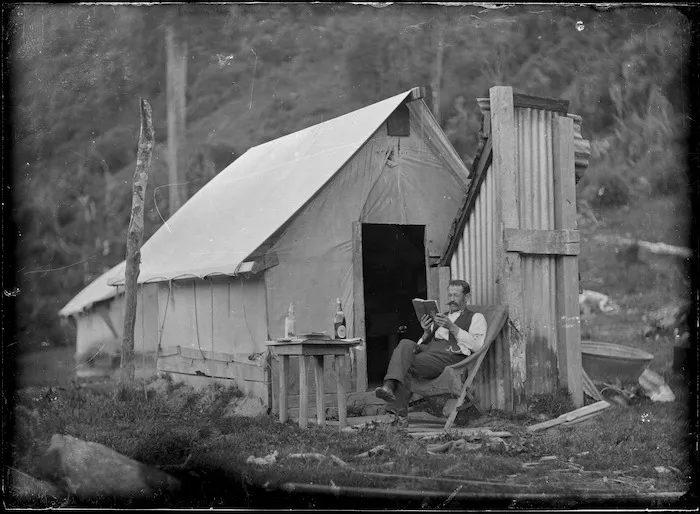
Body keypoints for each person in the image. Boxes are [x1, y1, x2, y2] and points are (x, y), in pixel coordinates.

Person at [374, 279, 487, 426]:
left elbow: (478, 346)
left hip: (450, 356)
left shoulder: (476, 318)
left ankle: (396, 410)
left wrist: (452, 327)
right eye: (450, 295)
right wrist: (427, 332)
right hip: (431, 353)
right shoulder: (442, 316)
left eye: (456, 295)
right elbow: (425, 344)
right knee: (405, 344)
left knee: (405, 364)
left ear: (466, 297)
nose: (451, 299)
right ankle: (389, 390)